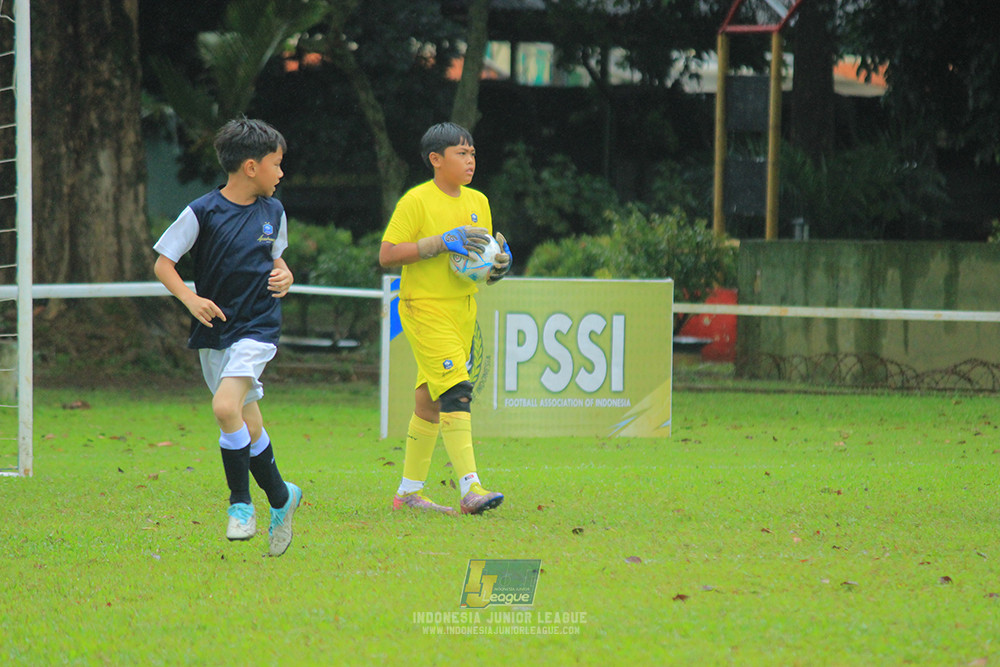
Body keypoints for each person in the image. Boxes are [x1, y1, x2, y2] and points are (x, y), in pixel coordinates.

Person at [153, 118, 302, 556]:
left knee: (224, 408)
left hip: (257, 329)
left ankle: (240, 505)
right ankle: (282, 497)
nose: (281, 173)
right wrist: (190, 299)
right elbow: (164, 263)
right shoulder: (201, 212)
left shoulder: (274, 212)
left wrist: (286, 274)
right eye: (277, 164)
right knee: (249, 426)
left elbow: (278, 263)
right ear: (251, 166)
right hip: (214, 331)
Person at [379, 122, 512, 515]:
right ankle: (470, 488)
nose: (470, 160)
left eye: (472, 153)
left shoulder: (479, 201)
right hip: (424, 307)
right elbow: (387, 254)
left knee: (429, 403)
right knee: (457, 390)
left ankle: (408, 494)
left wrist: (497, 267)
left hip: (463, 310)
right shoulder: (415, 202)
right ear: (436, 160)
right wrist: (437, 243)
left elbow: (476, 263)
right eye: (461, 153)